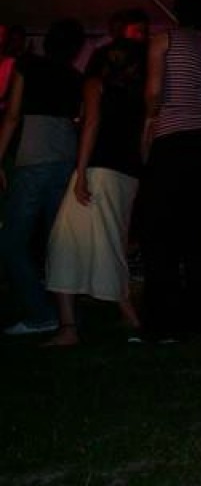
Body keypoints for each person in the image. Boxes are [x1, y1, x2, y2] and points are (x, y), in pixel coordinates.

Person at [136, 0, 201, 343]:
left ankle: (163, 322)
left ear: (177, 9)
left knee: (160, 233)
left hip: (174, 139)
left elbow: (153, 92)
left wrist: (150, 119)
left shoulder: (164, 41)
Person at [44, 38, 146, 346]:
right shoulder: (138, 94)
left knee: (66, 243)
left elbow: (92, 124)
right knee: (105, 240)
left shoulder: (95, 85)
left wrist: (80, 173)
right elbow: (144, 138)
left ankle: (72, 327)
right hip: (126, 174)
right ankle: (122, 318)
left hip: (99, 170)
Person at [0, 18, 86, 335]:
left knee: (11, 242)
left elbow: (12, 116)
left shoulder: (27, 65)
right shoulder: (75, 77)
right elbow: (80, 119)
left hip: (35, 157)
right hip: (65, 159)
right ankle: (66, 313)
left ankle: (41, 313)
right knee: (57, 242)